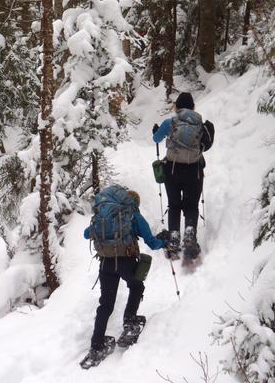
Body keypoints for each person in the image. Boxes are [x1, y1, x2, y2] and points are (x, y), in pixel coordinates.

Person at [83, 189, 167, 361]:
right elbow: (151, 242)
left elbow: (86, 234)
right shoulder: (132, 214)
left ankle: (96, 344)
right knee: (136, 286)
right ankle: (130, 322)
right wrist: (164, 242)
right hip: (126, 260)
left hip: (106, 263)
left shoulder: (104, 215)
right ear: (133, 203)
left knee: (105, 304)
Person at [152, 92, 214, 261]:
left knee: (174, 204)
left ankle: (173, 242)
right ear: (193, 107)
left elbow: (156, 139)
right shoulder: (200, 124)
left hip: (172, 169)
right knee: (191, 205)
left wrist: (157, 131)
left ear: (177, 107)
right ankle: (189, 236)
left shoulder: (170, 122)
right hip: (194, 170)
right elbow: (206, 145)